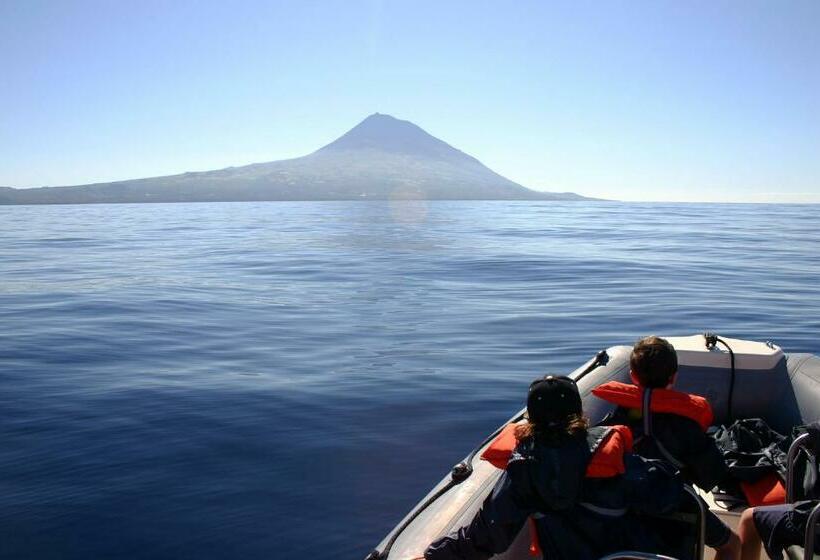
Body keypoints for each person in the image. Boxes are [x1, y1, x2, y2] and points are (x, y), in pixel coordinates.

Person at [420, 374, 684, 560]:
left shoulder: (523, 471)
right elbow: (671, 494)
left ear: (530, 420)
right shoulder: (620, 464)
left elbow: (487, 536)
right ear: (579, 414)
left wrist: (434, 556)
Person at [592, 335, 742, 560]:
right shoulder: (687, 427)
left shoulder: (615, 420)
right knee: (731, 544)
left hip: (625, 506)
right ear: (673, 377)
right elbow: (713, 476)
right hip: (675, 505)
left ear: (633, 376)